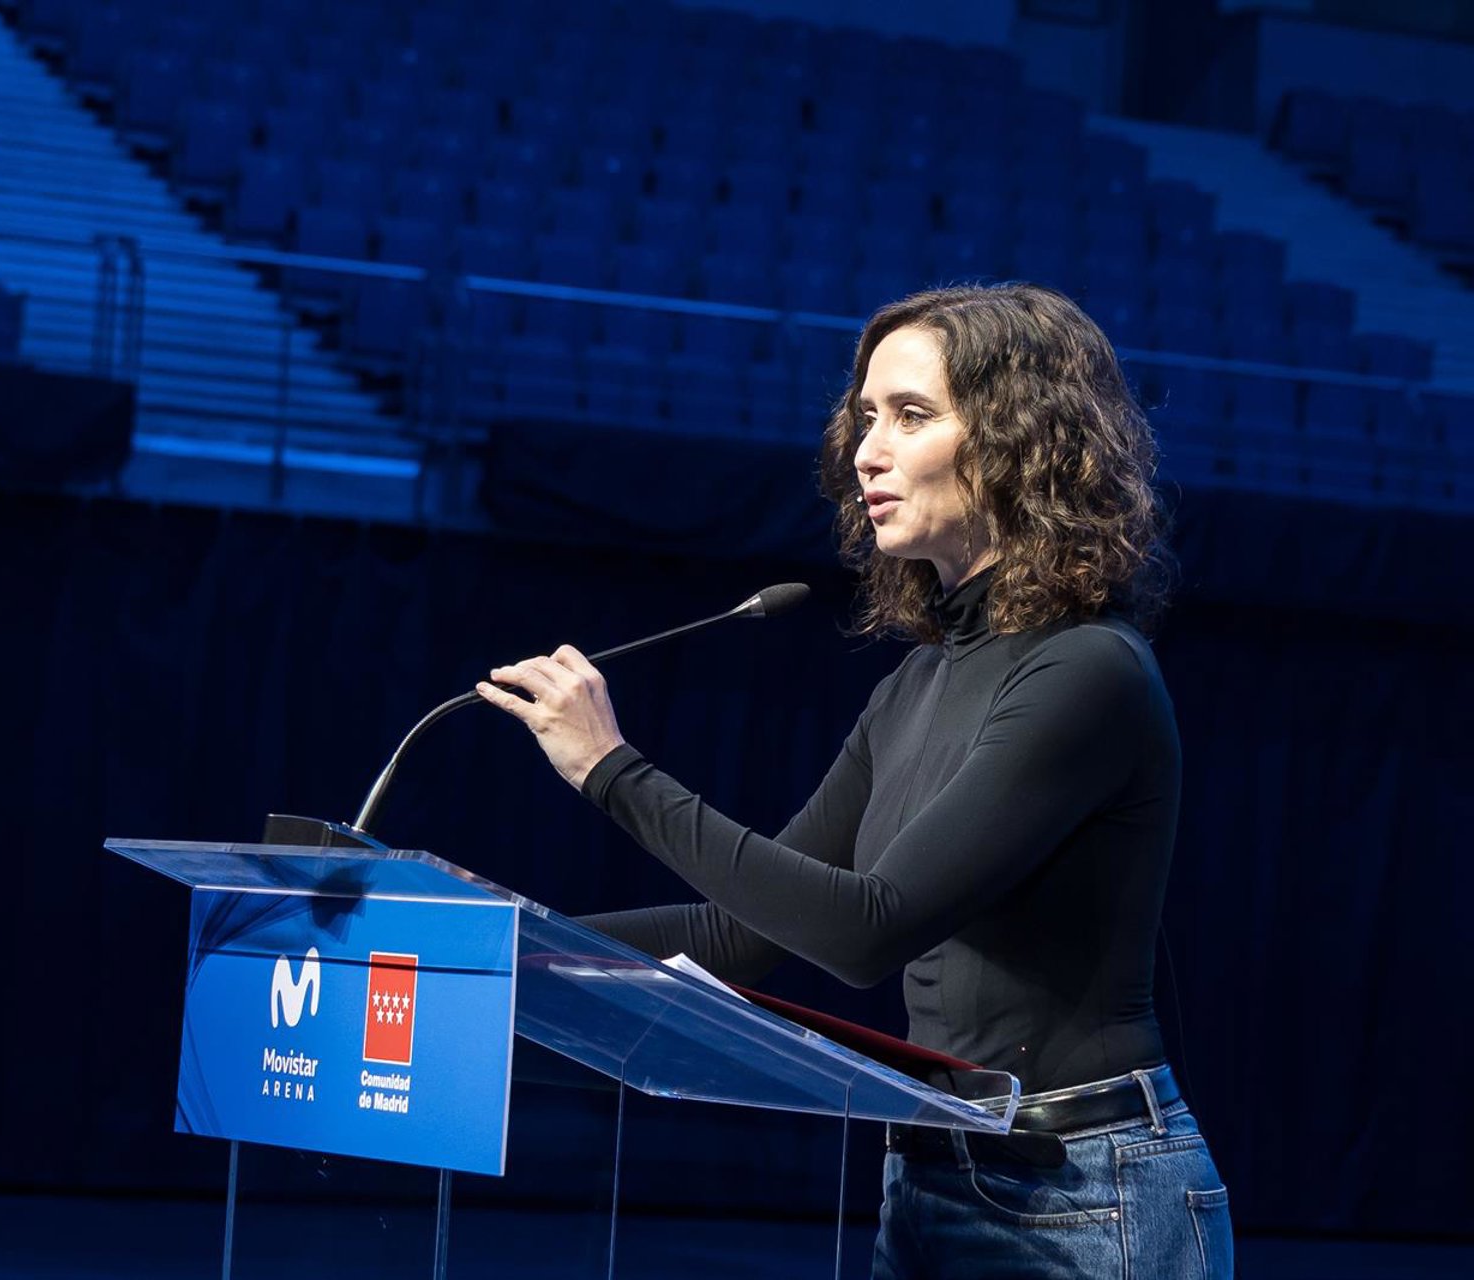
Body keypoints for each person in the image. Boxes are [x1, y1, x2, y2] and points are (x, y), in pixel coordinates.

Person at [474, 283, 1233, 1279]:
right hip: (930, 1176)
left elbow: (864, 929)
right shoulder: (915, 684)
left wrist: (614, 771)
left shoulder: (1089, 670)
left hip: (1083, 1190)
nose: (867, 451)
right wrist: (490, 948)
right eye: (865, 417)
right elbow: (736, 937)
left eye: (910, 415)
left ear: (1020, 440)